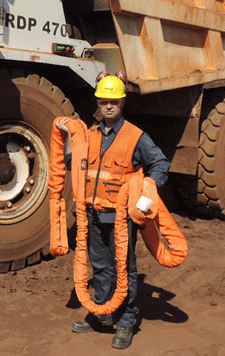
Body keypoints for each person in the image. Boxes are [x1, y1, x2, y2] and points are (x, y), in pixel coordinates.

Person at [57, 72, 170, 350]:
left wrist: (145, 198)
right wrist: (68, 141)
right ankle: (103, 315)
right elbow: (76, 165)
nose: (109, 106)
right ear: (98, 101)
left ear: (122, 103)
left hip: (122, 219)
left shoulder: (135, 136)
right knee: (101, 268)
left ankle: (127, 320)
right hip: (94, 215)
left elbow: (160, 165)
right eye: (104, 101)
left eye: (114, 102)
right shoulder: (91, 135)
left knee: (124, 268)